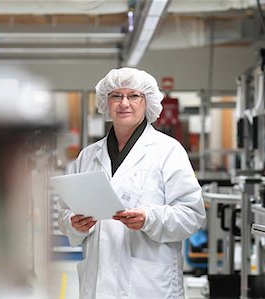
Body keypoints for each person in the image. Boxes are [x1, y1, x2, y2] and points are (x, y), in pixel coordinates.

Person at [58, 67, 206, 298]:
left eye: (133, 96)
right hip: (98, 283)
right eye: (116, 96)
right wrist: (74, 224)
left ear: (147, 102)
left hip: (147, 284)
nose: (124, 103)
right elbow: (66, 212)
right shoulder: (88, 156)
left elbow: (191, 215)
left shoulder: (168, 151)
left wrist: (149, 218)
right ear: (106, 103)